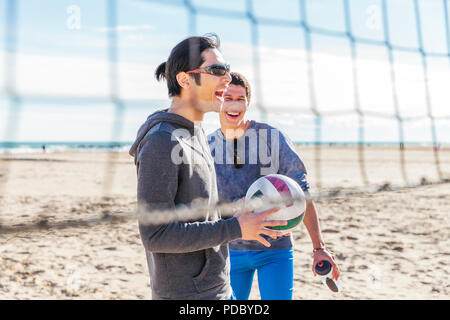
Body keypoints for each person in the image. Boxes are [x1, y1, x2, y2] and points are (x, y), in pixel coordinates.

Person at [129, 35, 287, 300]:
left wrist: (235, 213)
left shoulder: (197, 132)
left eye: (226, 70)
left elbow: (199, 215)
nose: (227, 78)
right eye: (216, 71)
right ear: (184, 80)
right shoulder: (161, 140)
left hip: (219, 287)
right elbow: (155, 234)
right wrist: (235, 229)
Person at [207, 72, 341, 300]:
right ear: (218, 99)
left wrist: (318, 248)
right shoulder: (207, 146)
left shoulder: (271, 138)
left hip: (274, 251)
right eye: (228, 97)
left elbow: (302, 192)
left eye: (240, 99)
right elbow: (200, 204)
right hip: (228, 252)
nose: (234, 104)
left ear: (248, 103)